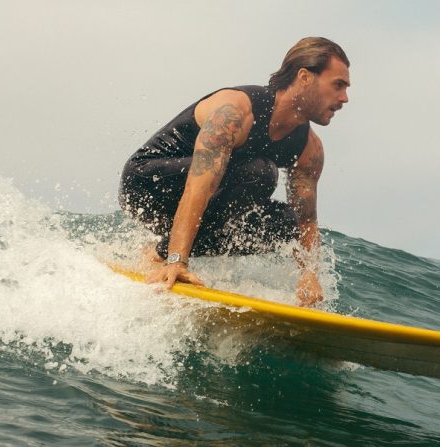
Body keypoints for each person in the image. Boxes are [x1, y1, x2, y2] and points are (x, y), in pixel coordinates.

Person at [119, 37, 350, 306]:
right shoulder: (236, 110)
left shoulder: (309, 150)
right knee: (261, 173)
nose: (344, 98)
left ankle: (158, 251)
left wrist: (309, 275)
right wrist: (177, 260)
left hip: (204, 197)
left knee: (288, 222)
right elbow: (200, 185)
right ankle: (166, 258)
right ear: (305, 77)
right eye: (338, 85)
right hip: (147, 185)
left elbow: (306, 220)